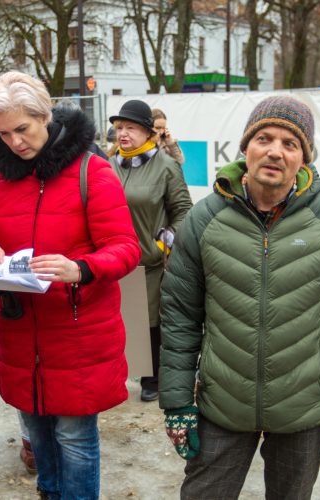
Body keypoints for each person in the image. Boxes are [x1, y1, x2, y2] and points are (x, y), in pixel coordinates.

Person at [159, 95, 320, 499]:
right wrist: (177, 402)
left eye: (290, 143)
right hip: (222, 403)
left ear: (305, 158)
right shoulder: (205, 218)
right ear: (245, 147)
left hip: (304, 405)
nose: (275, 152)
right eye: (264, 138)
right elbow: (179, 316)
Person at [0, 71, 141, 499]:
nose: (15, 143)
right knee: (37, 431)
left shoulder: (91, 171)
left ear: (44, 115)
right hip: (21, 331)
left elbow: (125, 247)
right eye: (3, 134)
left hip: (79, 333)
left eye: (22, 129)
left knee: (75, 437)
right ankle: (48, 491)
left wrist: (79, 268)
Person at [108, 99, 192, 402]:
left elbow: (184, 211)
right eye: (119, 128)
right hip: (112, 261)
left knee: (149, 323)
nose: (123, 134)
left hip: (150, 262)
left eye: (131, 127)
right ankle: (119, 374)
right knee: (115, 320)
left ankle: (152, 377)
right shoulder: (109, 165)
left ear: (148, 132)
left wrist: (162, 243)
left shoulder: (166, 166)